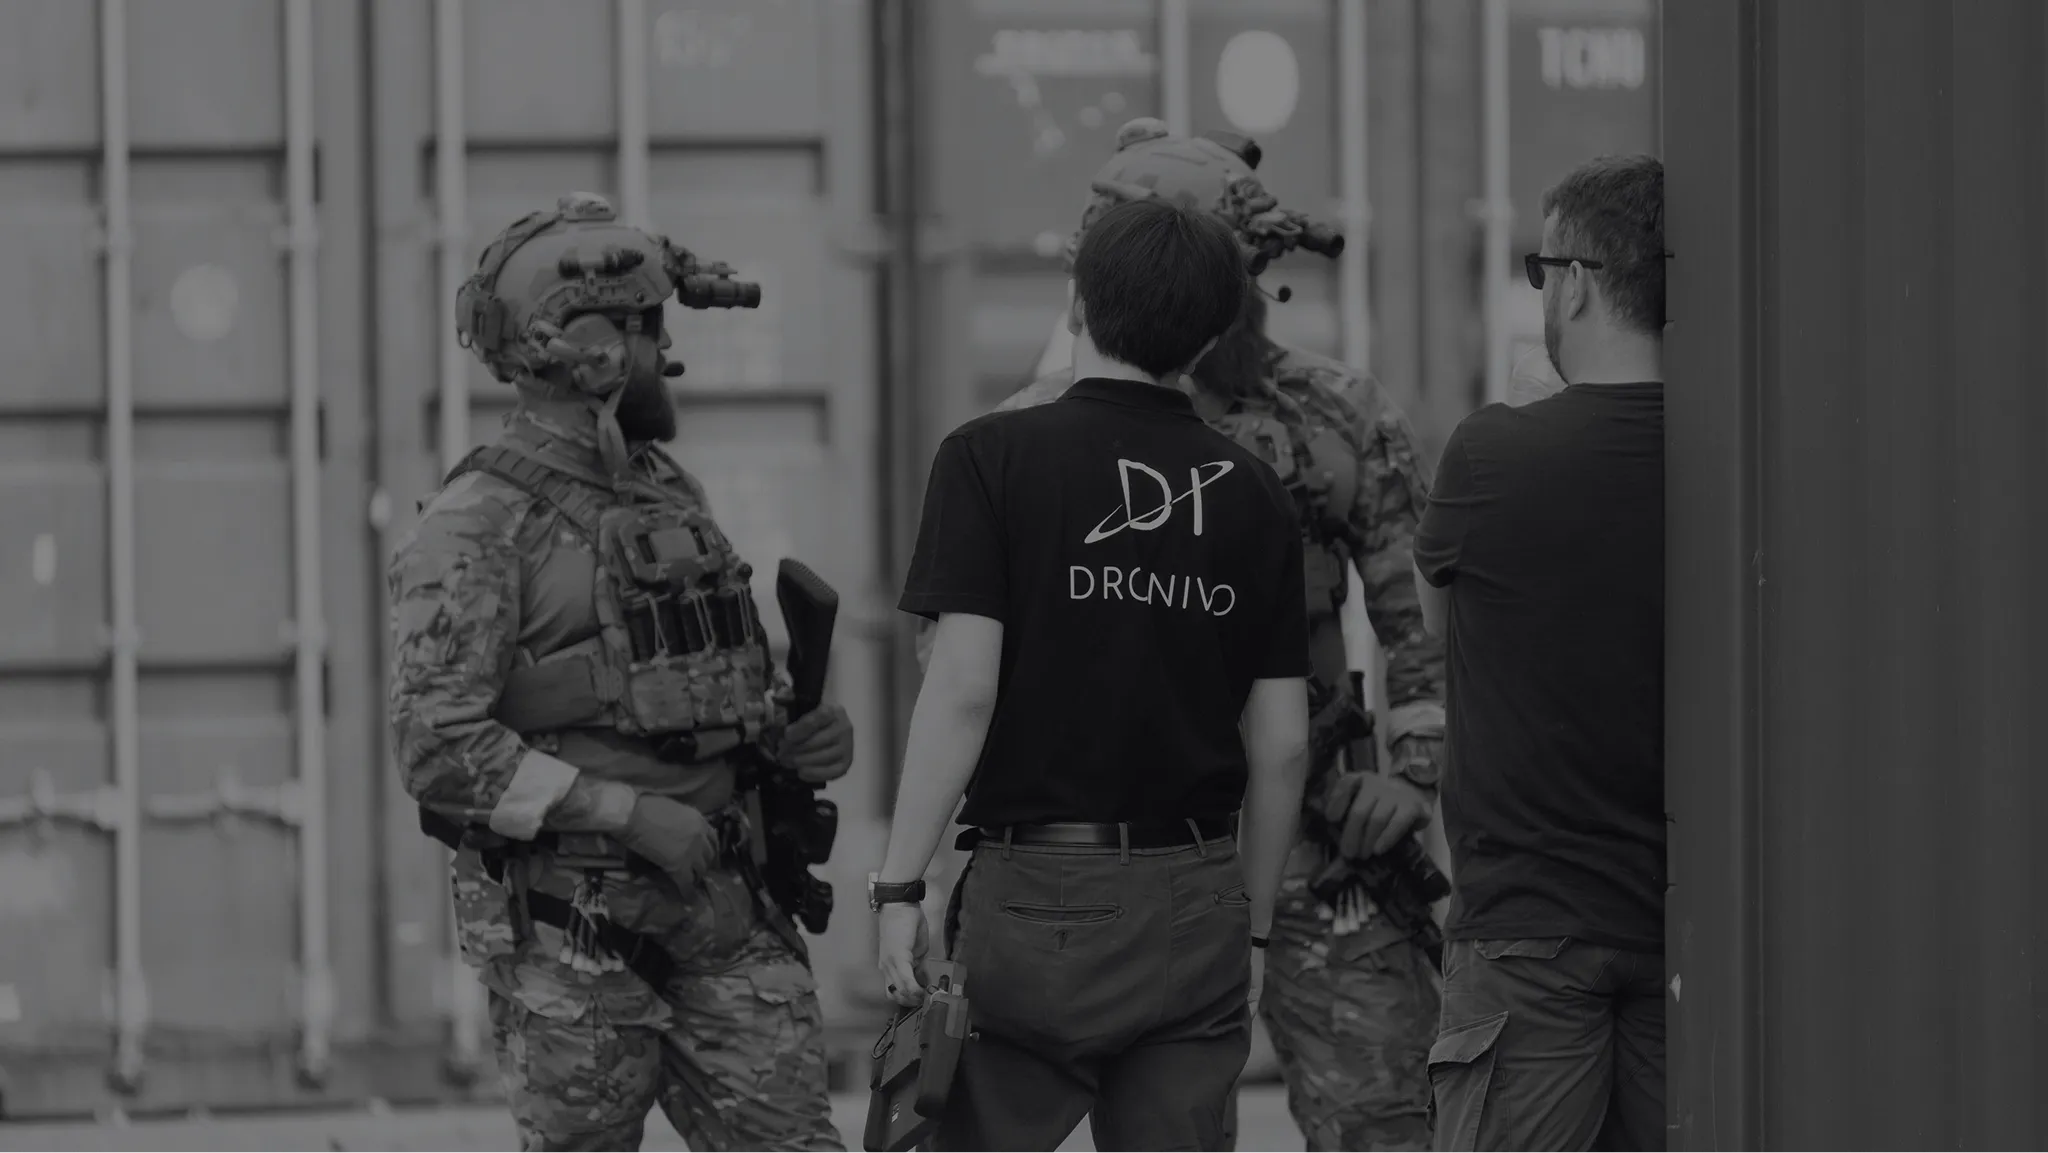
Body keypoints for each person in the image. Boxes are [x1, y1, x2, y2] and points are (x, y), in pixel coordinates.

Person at [917, 117, 1448, 1153]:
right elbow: (960, 670)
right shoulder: (1027, 436)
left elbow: (1410, 615)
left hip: (1326, 842)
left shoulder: (1336, 415)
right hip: (1123, 856)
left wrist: (1415, 772)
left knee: (1382, 1120)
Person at [387, 192, 856, 1153]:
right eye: (650, 331)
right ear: (593, 349)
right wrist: (625, 810)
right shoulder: (479, 520)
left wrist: (789, 732)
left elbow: (695, 673)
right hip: (577, 931)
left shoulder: (668, 491)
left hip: (726, 909)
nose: (665, 355)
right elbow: (437, 747)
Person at [870, 196, 1314, 1153]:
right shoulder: (1254, 494)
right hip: (1198, 897)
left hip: (1038, 903)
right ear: (1209, 337)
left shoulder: (990, 458)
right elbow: (1282, 745)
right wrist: (1257, 928)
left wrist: (900, 888)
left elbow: (963, 690)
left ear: (1075, 303)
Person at [1410, 154, 1667, 1153]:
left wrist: (1524, 418)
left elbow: (1429, 614)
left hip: (1526, 929)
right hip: (1683, 928)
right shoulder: (1734, 457)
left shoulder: (1489, 454)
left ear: (1572, 279)